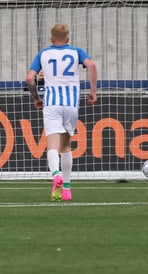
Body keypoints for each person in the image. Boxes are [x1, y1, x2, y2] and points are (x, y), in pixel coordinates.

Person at [25, 23, 98, 202]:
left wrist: (36, 98)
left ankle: (56, 174)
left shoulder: (43, 54)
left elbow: (29, 78)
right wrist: (93, 91)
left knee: (52, 145)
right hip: (71, 105)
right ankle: (66, 188)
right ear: (67, 39)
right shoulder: (76, 51)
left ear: (51, 39)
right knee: (66, 146)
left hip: (52, 104)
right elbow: (92, 66)